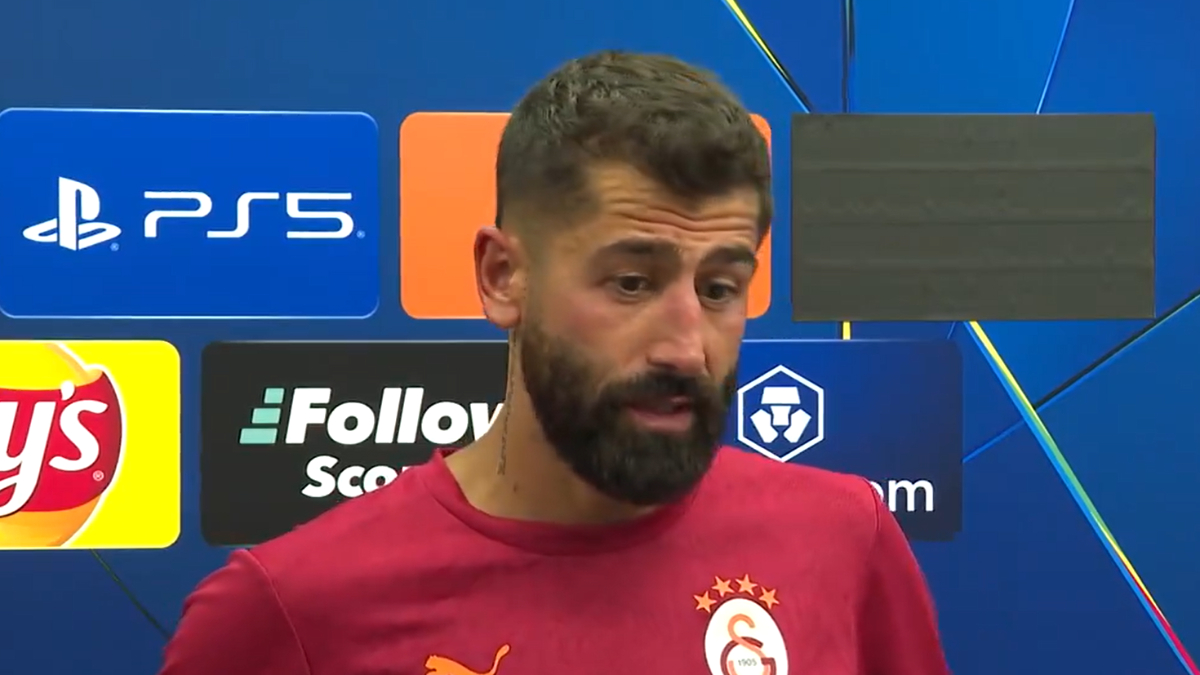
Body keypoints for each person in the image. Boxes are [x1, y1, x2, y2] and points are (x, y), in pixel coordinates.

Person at [159, 50, 949, 675]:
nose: (686, 347)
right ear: (503, 277)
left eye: (719, 288)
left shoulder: (844, 537)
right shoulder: (290, 609)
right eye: (631, 282)